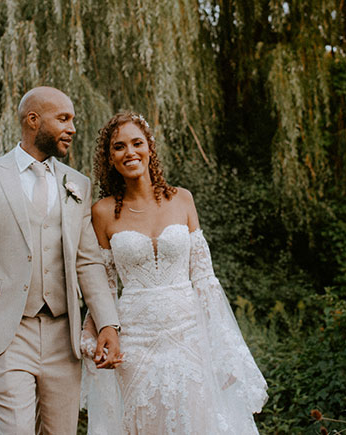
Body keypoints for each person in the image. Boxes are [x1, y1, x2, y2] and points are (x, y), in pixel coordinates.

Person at [0, 86, 122, 434]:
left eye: (72, 119)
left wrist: (108, 324)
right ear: (33, 120)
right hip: (6, 332)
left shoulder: (78, 184)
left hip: (63, 334)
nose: (72, 128)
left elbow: (88, 262)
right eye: (63, 118)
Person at [81, 111, 268, 434]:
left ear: (150, 148)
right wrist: (95, 335)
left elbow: (205, 280)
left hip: (189, 335)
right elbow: (104, 287)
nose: (130, 152)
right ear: (110, 158)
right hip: (135, 341)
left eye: (137, 143)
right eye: (119, 147)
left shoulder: (182, 200)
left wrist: (223, 347)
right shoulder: (102, 212)